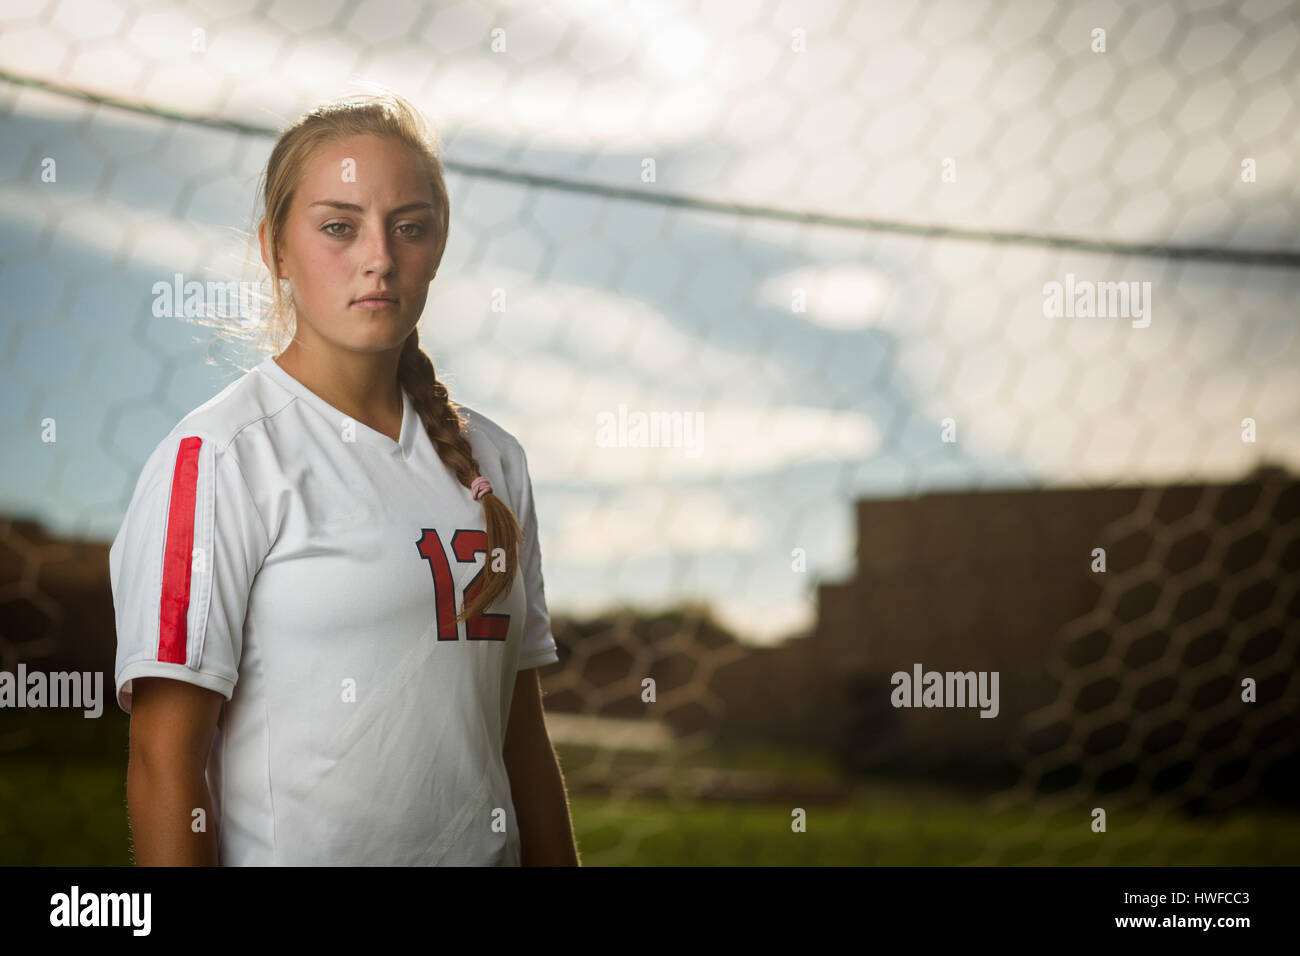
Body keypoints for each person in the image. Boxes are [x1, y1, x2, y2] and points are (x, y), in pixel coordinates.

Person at [109, 90, 580, 866]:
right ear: (276, 251)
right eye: (338, 226)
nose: (380, 258)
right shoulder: (222, 458)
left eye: (410, 227)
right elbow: (165, 763)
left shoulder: (496, 462)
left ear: (439, 245)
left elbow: (520, 737)